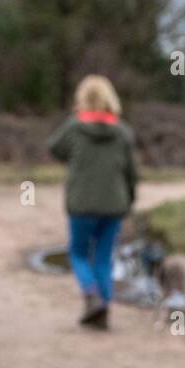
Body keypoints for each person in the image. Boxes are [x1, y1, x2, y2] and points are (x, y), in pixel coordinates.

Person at [47, 76, 138, 330]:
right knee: (103, 257)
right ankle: (103, 307)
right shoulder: (122, 131)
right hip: (114, 206)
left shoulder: (74, 127)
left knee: (77, 254)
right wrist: (130, 198)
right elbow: (131, 172)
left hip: (81, 205)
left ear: (82, 99)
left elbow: (54, 149)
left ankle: (92, 296)